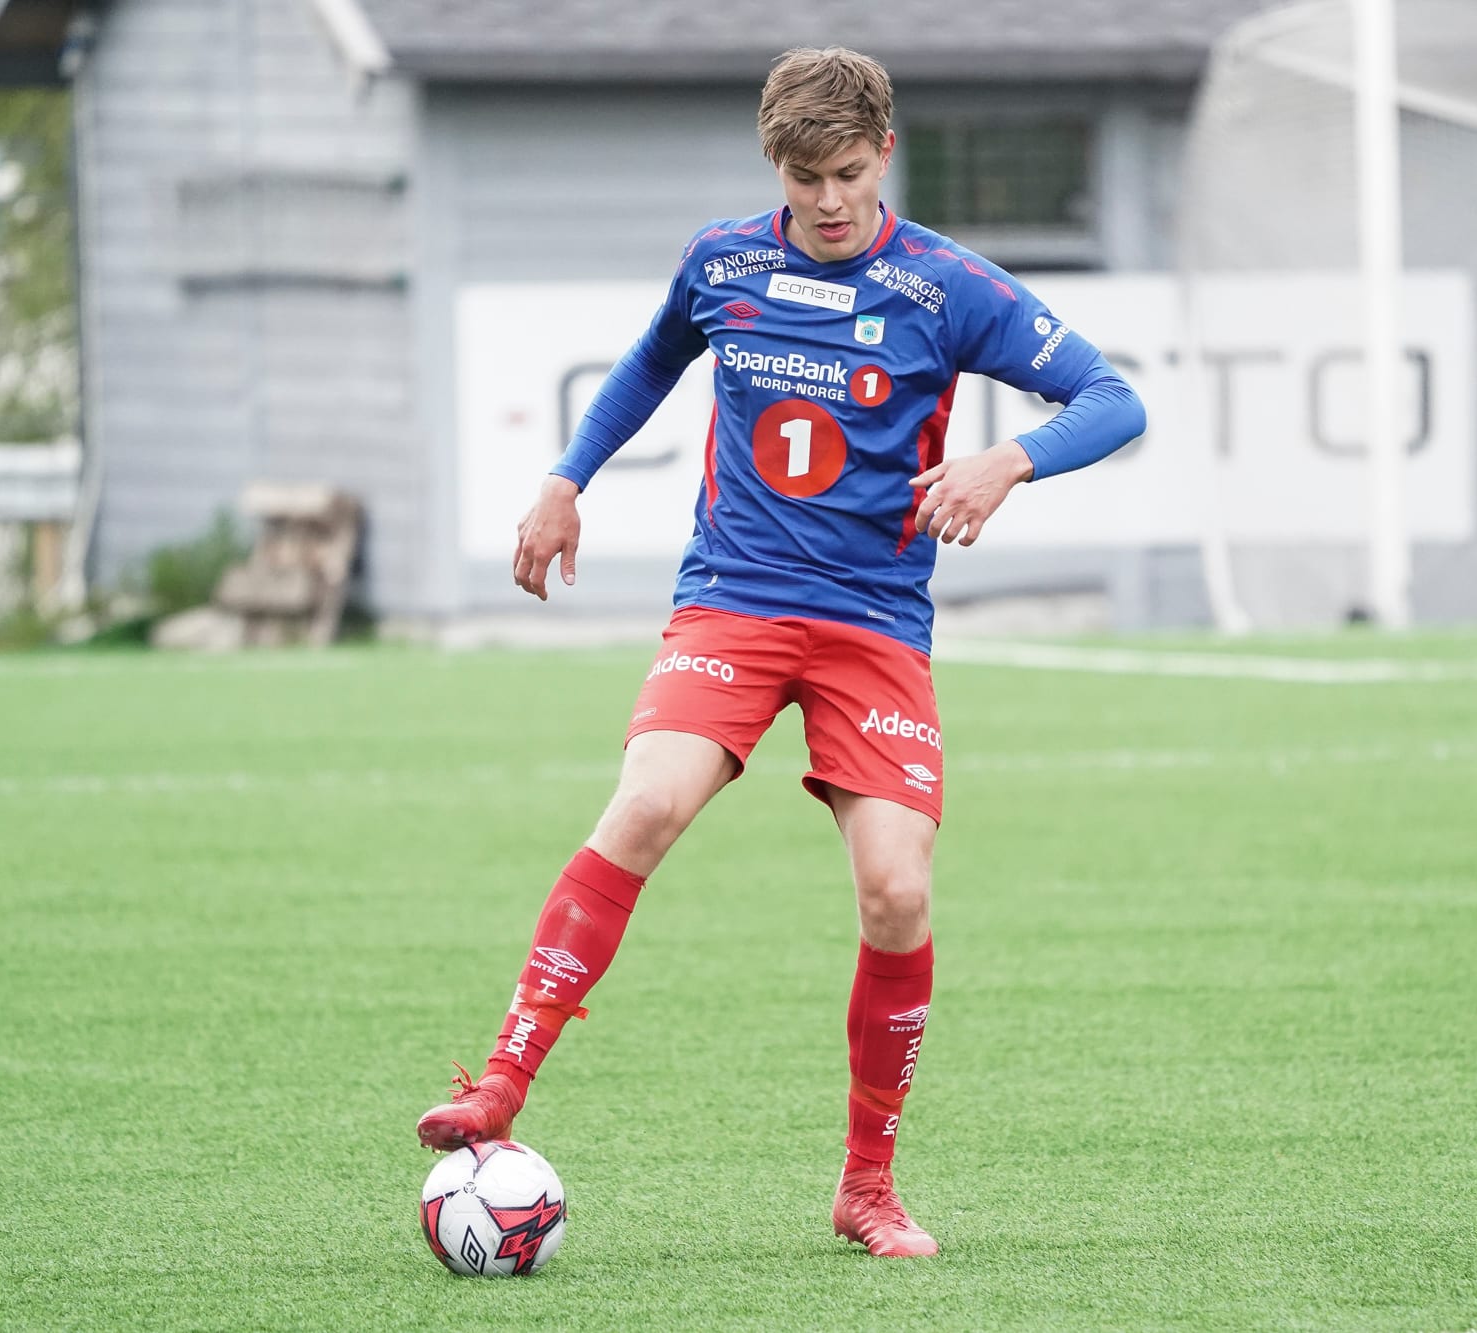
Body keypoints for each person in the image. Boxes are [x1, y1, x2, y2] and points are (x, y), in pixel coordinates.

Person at [416, 45, 1146, 1259]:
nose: (827, 200)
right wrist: (564, 477)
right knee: (643, 805)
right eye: (803, 178)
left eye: (847, 174)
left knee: (896, 891)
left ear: (883, 155)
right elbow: (652, 361)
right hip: (735, 601)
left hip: (872, 623)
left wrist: (1007, 459)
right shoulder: (724, 261)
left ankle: (867, 1186)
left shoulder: (944, 286)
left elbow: (1113, 398)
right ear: (774, 166)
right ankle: (499, 1081)